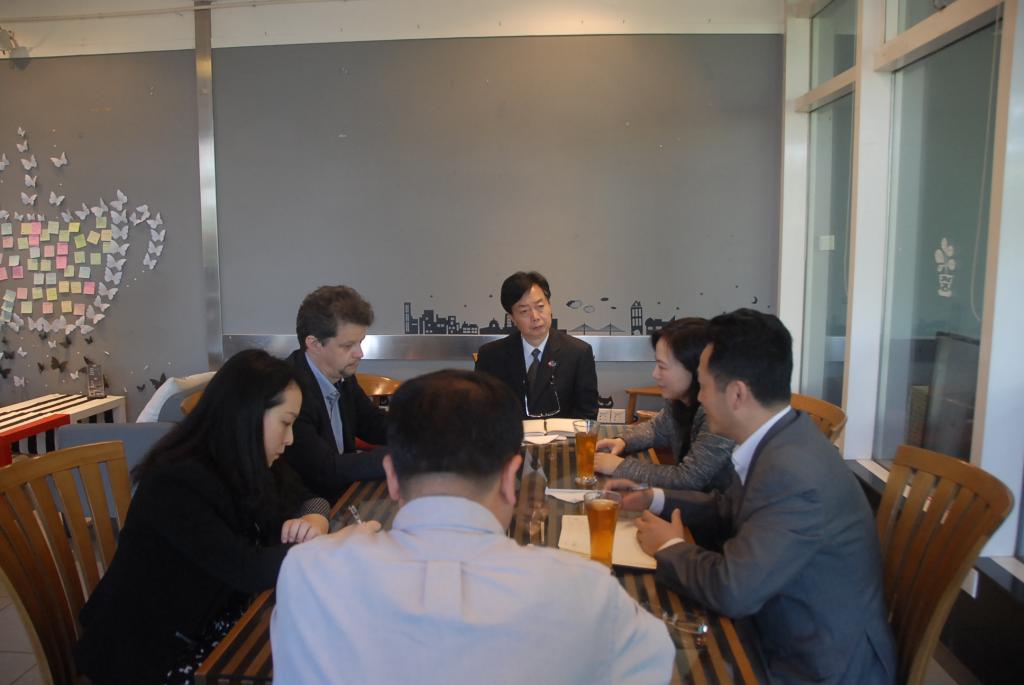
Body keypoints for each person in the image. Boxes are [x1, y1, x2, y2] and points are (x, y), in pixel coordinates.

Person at [271, 369, 674, 685]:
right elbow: (655, 664)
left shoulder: (309, 574)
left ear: (391, 477)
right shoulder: (587, 592)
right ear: (511, 478)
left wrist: (335, 548)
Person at [619, 309, 896, 685]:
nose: (699, 397)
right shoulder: (784, 437)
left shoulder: (792, 473)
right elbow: (727, 508)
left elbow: (732, 590)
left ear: (736, 394)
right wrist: (653, 498)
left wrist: (669, 547)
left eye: (703, 386)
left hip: (812, 664)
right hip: (780, 623)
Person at [75, 349, 330, 684]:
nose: (290, 438)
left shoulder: (250, 461)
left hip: (208, 623)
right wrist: (328, 551)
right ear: (247, 415)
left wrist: (315, 519)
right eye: (285, 423)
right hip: (150, 652)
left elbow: (309, 497)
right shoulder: (176, 482)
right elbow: (247, 569)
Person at [594, 317, 735, 491]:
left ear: (695, 368)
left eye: (662, 366)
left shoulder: (717, 412)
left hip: (714, 506)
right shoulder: (679, 400)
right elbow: (657, 429)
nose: (655, 374)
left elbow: (689, 479)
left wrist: (619, 466)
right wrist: (623, 441)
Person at [283, 285, 389, 500]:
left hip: (341, 497)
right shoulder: (289, 391)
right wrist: (397, 459)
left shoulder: (342, 374)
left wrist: (422, 435)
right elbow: (325, 469)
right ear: (314, 344)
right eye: (348, 346)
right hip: (307, 507)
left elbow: (372, 423)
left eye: (360, 342)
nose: (360, 353)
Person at [475, 271, 598, 419]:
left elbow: (587, 414)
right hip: (511, 434)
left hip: (562, 434)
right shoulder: (491, 356)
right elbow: (483, 413)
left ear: (549, 306)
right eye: (524, 311)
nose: (535, 317)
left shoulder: (578, 353)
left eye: (540, 306)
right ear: (512, 318)